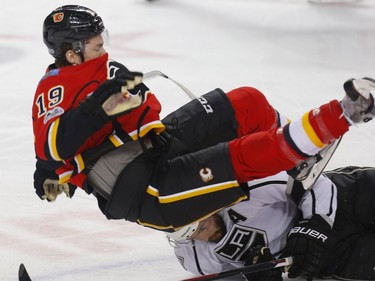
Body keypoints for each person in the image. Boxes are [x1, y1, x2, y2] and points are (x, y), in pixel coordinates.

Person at [32, 5, 375, 233]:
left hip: (157, 149)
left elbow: (142, 105)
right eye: (94, 46)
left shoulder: (105, 68)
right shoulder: (56, 88)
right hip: (144, 190)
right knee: (247, 154)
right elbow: (56, 145)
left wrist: (116, 104)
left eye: (102, 42)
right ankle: (343, 113)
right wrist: (94, 111)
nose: (103, 51)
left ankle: (300, 161)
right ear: (71, 53)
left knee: (246, 102)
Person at [168, 166, 375, 281]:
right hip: (332, 256)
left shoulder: (239, 187)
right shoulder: (194, 259)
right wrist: (258, 278)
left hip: (348, 196)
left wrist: (315, 224)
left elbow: (314, 182)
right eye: (193, 237)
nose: (206, 237)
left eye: (203, 227)